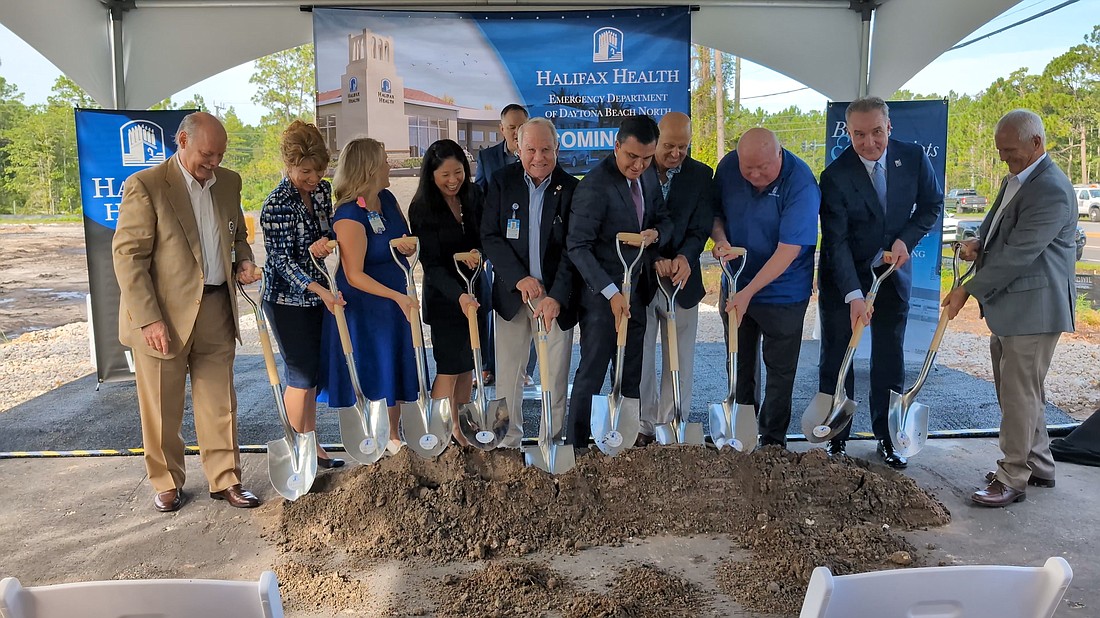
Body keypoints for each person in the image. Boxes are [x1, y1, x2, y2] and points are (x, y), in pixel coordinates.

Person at [112, 111, 261, 513]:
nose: (213, 163)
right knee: (162, 407)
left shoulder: (229, 182)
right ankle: (166, 482)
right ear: (182, 141)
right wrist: (148, 318)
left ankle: (226, 479)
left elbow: (238, 236)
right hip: (162, 317)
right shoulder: (146, 185)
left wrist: (243, 261)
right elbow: (128, 257)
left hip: (216, 307)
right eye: (207, 154)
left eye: (219, 155)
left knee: (220, 402)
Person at [943, 109, 1076, 507]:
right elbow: (998, 228)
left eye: (1011, 150)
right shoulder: (1016, 179)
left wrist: (968, 288)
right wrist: (976, 244)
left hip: (1034, 310)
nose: (1004, 157)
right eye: (1000, 151)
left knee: (1018, 395)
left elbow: (1020, 253)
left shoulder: (1050, 189)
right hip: (1014, 308)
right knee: (1020, 391)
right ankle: (1038, 465)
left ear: (1037, 144)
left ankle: (1012, 477)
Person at [817, 96, 942, 468]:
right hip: (845, 277)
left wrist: (906, 238)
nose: (869, 142)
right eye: (858, 134)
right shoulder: (836, 176)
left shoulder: (914, 158)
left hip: (891, 274)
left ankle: (888, 437)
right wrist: (854, 295)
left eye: (876, 132)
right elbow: (835, 242)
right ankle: (835, 435)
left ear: (889, 127)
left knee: (889, 355)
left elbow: (931, 204)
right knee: (839, 353)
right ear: (848, 132)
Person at [566, 115, 672, 447]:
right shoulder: (594, 185)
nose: (638, 165)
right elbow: (578, 246)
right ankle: (579, 446)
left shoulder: (649, 177)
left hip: (637, 292)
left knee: (630, 372)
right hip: (602, 300)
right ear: (616, 147)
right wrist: (611, 293)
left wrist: (656, 234)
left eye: (645, 158)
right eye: (631, 157)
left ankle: (622, 442)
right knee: (592, 372)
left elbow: (662, 217)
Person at [711, 128, 820, 449]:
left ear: (779, 154)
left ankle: (772, 441)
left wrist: (748, 293)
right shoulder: (729, 167)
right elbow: (715, 213)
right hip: (735, 281)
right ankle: (741, 433)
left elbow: (789, 249)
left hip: (784, 292)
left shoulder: (800, 182)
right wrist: (720, 240)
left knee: (779, 370)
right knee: (739, 362)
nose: (756, 175)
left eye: (764, 168)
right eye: (749, 169)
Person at [481, 117, 580, 447]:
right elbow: (490, 237)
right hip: (512, 294)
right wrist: (518, 278)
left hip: (553, 298)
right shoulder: (500, 182)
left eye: (546, 149)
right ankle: (507, 441)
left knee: (554, 372)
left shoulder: (571, 188)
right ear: (517, 149)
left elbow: (573, 248)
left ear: (557, 148)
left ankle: (549, 442)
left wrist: (558, 295)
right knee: (509, 374)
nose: (539, 157)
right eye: (531, 149)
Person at [317, 137, 418, 456]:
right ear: (370, 168)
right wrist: (397, 297)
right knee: (373, 366)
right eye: (385, 160)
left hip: (393, 297)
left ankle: (393, 434)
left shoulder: (385, 199)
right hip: (366, 304)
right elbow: (353, 274)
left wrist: (407, 246)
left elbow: (402, 238)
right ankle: (374, 439)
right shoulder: (349, 215)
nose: (390, 165)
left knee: (394, 364)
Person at [260, 120, 345, 470]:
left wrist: (325, 245)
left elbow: (325, 231)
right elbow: (279, 260)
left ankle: (313, 445)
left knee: (314, 374)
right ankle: (297, 452)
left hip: (319, 294)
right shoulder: (276, 203)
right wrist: (318, 288)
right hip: (286, 301)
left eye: (320, 170)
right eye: (305, 171)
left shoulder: (323, 191)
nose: (314, 178)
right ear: (289, 165)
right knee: (300, 374)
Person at [637, 112, 715, 446]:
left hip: (683, 282)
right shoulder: (637, 171)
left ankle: (671, 423)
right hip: (642, 276)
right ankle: (642, 424)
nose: (675, 154)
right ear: (655, 140)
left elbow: (700, 228)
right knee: (639, 356)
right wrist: (655, 259)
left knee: (680, 356)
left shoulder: (701, 175)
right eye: (669, 146)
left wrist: (685, 257)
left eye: (683, 146)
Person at [409, 139, 485, 446]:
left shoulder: (474, 195)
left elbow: (485, 237)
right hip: (446, 298)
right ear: (431, 175)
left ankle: (462, 428)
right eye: (445, 175)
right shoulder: (422, 208)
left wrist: (478, 252)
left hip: (475, 294)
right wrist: (459, 297)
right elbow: (432, 264)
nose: (453, 180)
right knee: (449, 366)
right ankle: (439, 435)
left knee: (468, 365)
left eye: (459, 172)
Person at [474, 104, 529, 385]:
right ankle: (488, 365)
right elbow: (479, 196)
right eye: (511, 128)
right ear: (502, 129)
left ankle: (523, 369)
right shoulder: (487, 157)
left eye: (521, 127)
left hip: (527, 243)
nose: (517, 133)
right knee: (496, 304)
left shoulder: (537, 155)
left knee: (527, 304)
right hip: (496, 241)